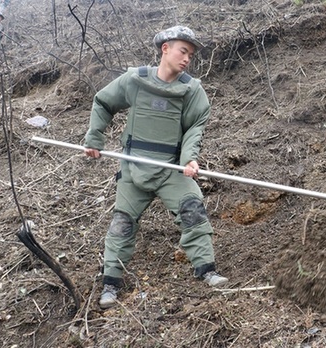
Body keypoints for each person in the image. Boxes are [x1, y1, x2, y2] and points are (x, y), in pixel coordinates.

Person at [84, 25, 228, 309]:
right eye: (182, 51)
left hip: (171, 170)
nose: (187, 58)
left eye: (191, 54)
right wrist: (94, 138)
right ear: (165, 49)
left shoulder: (191, 90)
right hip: (133, 169)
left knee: (192, 207)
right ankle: (110, 285)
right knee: (122, 224)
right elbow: (102, 102)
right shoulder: (135, 80)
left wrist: (189, 159)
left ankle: (207, 270)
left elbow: (195, 128)